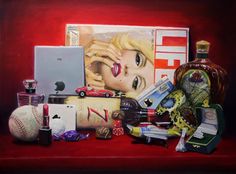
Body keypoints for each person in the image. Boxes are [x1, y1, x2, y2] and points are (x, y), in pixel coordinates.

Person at [79, 27, 154, 97]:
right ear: (131, 47)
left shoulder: (81, 98)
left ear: (123, 93)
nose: (128, 70)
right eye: (138, 60)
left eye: (136, 82)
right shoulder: (82, 31)